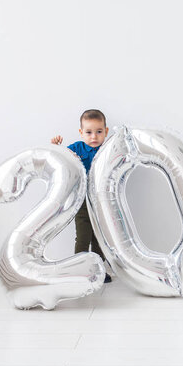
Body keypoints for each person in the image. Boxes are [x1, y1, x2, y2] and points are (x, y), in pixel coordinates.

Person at [51, 109, 112, 283]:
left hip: (101, 200)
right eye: (89, 132)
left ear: (106, 132)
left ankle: (99, 270)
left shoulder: (107, 149)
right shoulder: (77, 148)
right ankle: (79, 269)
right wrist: (56, 148)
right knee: (83, 235)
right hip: (82, 200)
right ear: (81, 133)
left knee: (100, 238)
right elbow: (62, 160)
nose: (94, 137)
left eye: (99, 132)